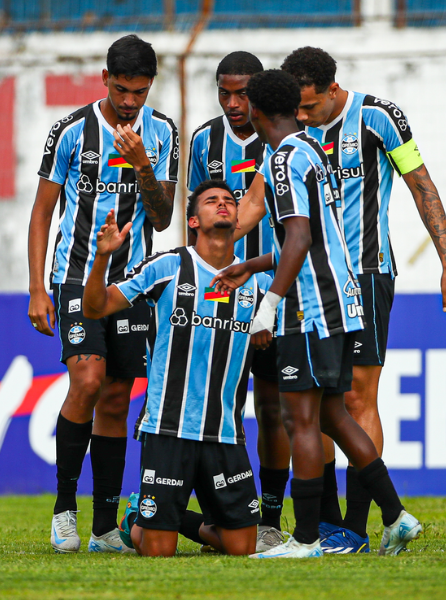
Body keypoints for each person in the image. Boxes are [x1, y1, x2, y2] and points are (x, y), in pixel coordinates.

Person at [212, 70, 421, 558]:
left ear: (259, 112)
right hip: (342, 302)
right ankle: (396, 515)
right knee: (333, 414)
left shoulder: (282, 159)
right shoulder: (311, 149)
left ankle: (306, 539)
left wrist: (268, 305)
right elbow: (311, 235)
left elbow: (301, 240)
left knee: (299, 419)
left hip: (310, 309)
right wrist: (252, 264)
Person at [280, 46, 446, 549]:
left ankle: (358, 529)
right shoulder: (287, 130)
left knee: (358, 396)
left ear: (333, 91)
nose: (303, 117)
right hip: (306, 281)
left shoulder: (378, 117)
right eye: (296, 109)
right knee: (315, 402)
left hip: (365, 274)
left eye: (311, 107)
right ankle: (326, 523)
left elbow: (421, 186)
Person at [27, 34, 179, 553]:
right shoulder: (70, 131)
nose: (130, 101)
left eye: (140, 91)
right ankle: (64, 508)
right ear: (104, 80)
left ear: (150, 85)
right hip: (75, 277)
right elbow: (43, 210)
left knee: (117, 397)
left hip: (133, 283)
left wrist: (142, 164)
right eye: (121, 90)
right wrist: (35, 288)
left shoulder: (162, 133)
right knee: (88, 381)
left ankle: (104, 528)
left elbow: (163, 217)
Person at [83, 180, 270, 557]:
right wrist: (102, 257)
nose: (223, 205)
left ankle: (176, 518)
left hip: (224, 432)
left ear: (238, 219)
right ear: (193, 221)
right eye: (211, 201)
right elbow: (95, 307)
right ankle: (140, 519)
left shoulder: (260, 283)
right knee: (157, 552)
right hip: (167, 428)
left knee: (242, 548)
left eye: (230, 201)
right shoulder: (169, 266)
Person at [186, 51, 286, 553]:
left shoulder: (282, 141)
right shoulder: (204, 140)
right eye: (223, 93)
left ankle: (269, 516)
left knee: (274, 408)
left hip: (274, 289)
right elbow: (197, 217)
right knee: (223, 405)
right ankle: (226, 514)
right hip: (220, 292)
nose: (232, 103)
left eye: (242, 93)